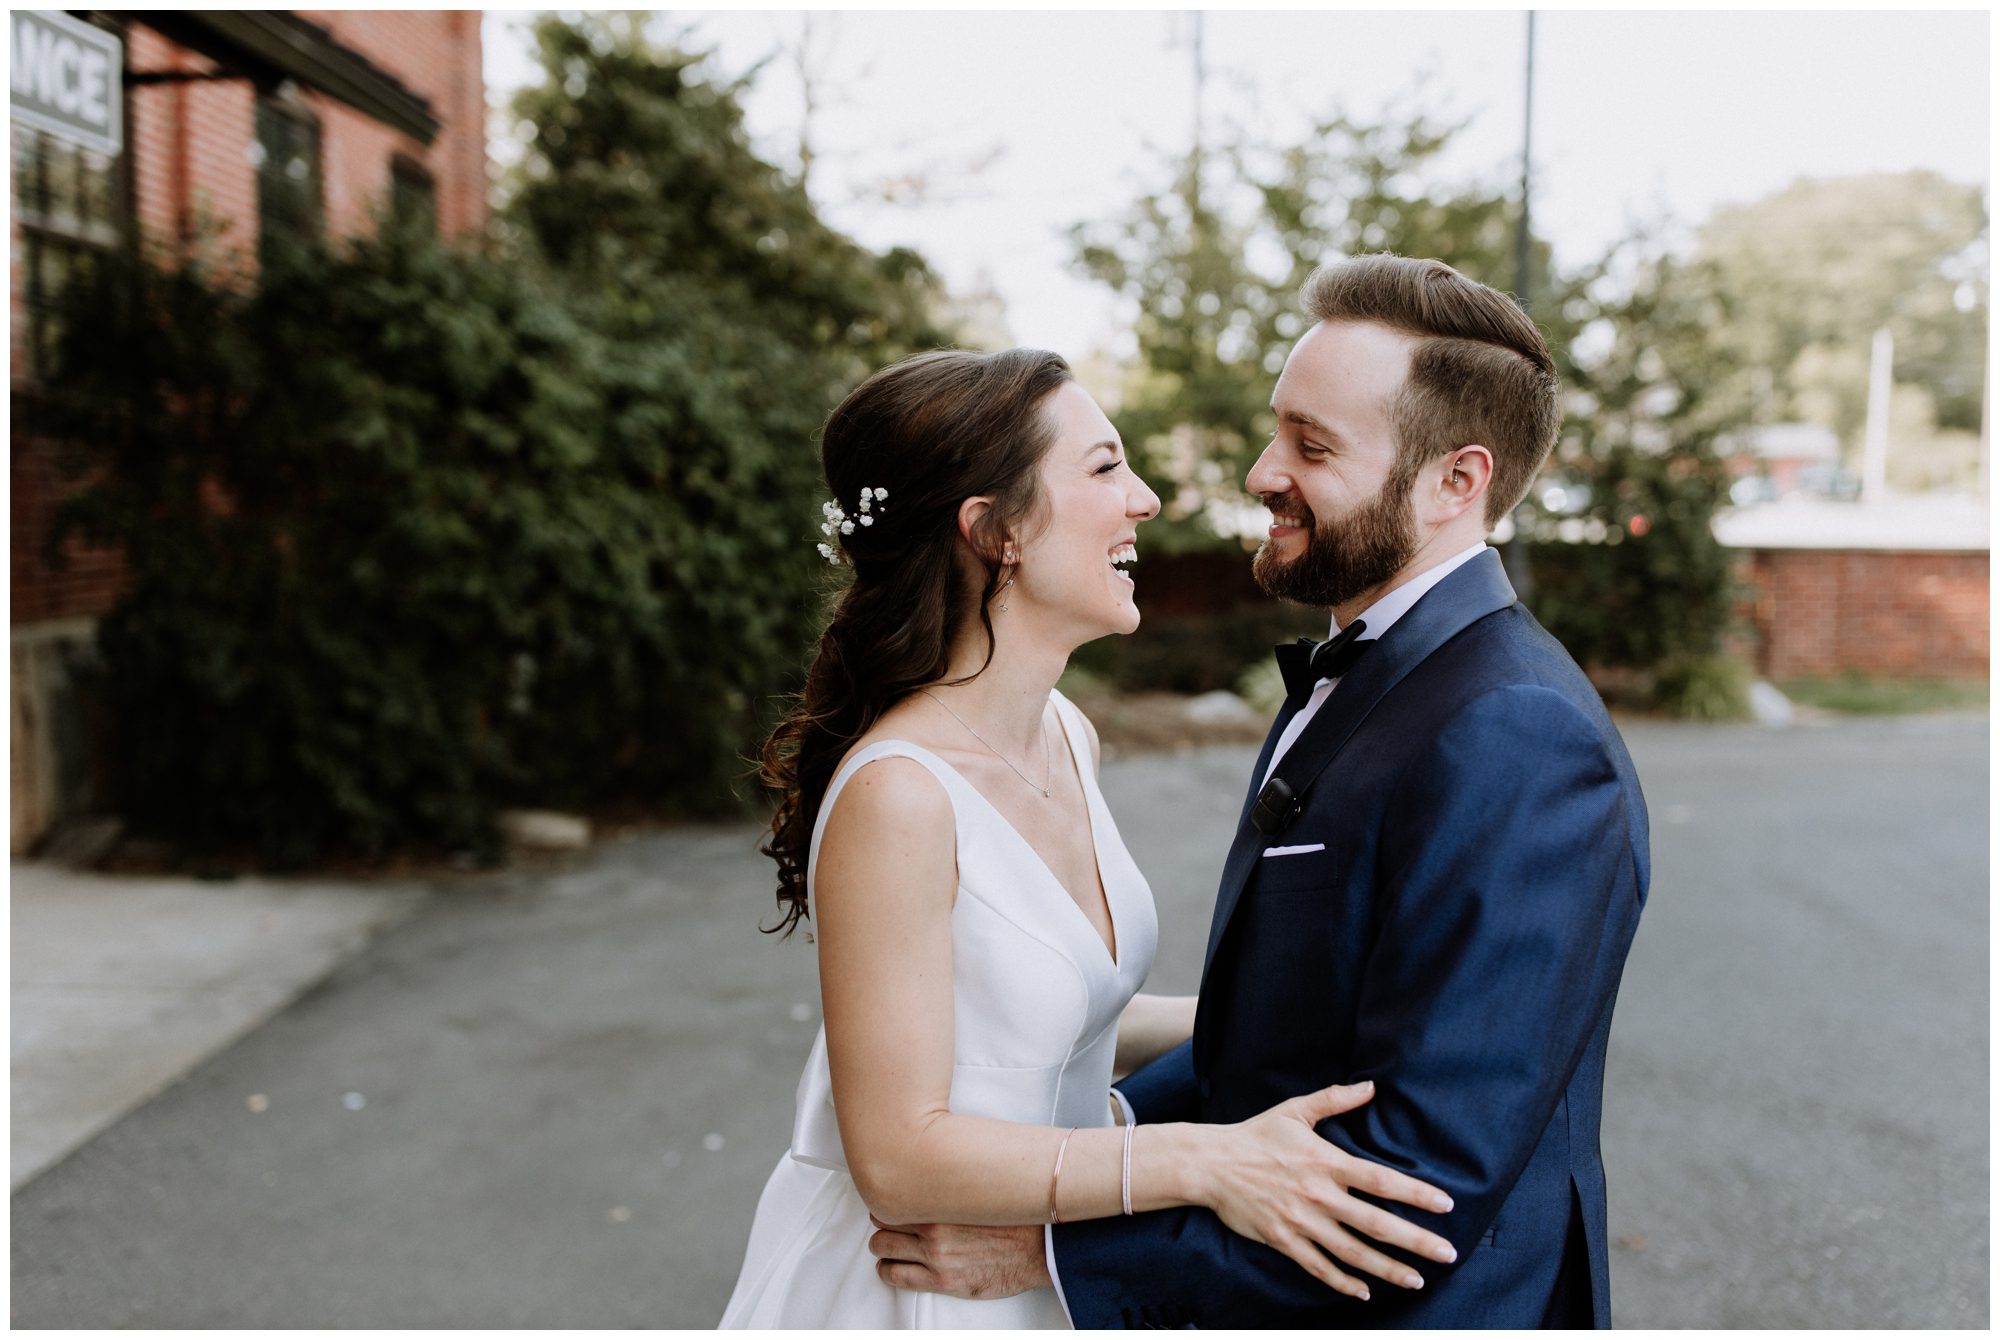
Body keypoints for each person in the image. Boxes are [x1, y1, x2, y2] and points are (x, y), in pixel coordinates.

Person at [873, 256, 1651, 1327]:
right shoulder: (1368, 673)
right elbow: (1279, 1048)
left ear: (1454, 482)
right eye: (1276, 431)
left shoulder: (1516, 733)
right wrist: (1091, 1140)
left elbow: (1417, 1182)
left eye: (1311, 447)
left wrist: (1056, 1248)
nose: (1259, 473)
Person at [720, 347, 1458, 1328]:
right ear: (995, 530)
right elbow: (896, 1154)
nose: (1144, 499)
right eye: (1106, 466)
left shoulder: (1067, 733)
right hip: (920, 1288)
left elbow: (1044, 1026)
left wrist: (1301, 1016)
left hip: (1046, 1263)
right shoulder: (899, 796)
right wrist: (1200, 1161)